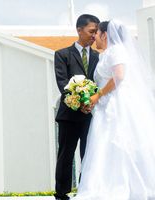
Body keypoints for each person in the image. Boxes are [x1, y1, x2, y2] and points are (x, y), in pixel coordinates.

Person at [72, 20, 155, 200]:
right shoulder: (107, 53)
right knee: (105, 145)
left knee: (116, 141)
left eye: (97, 33)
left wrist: (98, 95)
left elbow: (119, 76)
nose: (94, 37)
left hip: (116, 105)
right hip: (106, 104)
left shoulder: (116, 50)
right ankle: (108, 183)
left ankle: (120, 186)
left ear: (105, 34)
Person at [54, 14, 100, 200]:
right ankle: (62, 193)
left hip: (92, 115)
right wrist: (80, 103)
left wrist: (90, 104)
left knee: (88, 155)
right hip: (69, 114)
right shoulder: (62, 54)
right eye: (91, 31)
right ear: (79, 30)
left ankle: (84, 191)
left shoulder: (98, 57)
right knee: (66, 154)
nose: (94, 35)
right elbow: (63, 83)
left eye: (96, 32)